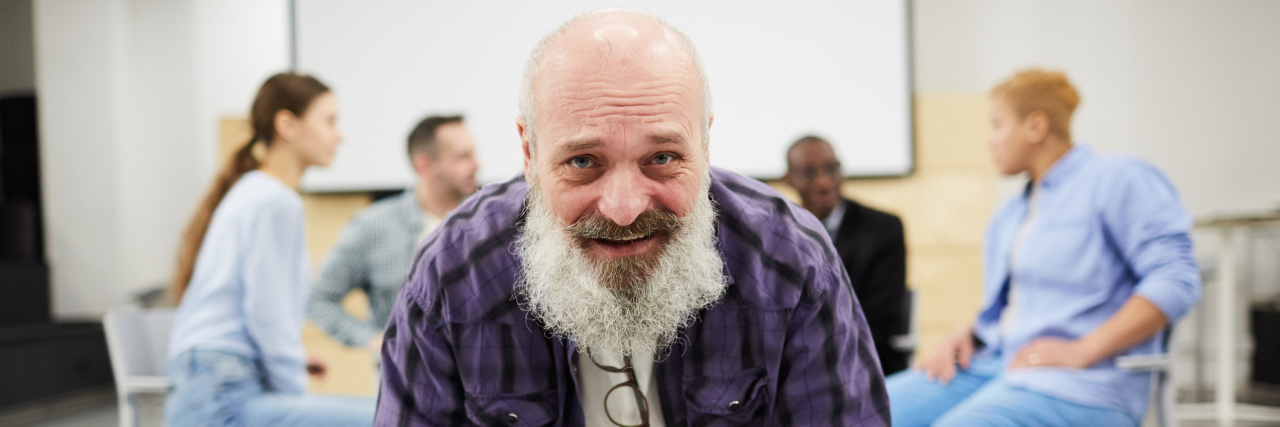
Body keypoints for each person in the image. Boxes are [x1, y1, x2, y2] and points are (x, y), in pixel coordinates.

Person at [374, 9, 889, 426]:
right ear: (529, 153)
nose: (623, 210)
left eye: (661, 158)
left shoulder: (790, 259)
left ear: (704, 147)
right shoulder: (451, 273)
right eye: (582, 162)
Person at [886, 69, 1201, 426]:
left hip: (1081, 384)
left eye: (997, 125)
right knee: (860, 409)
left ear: (1036, 127)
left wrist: (1084, 349)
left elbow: (1176, 279)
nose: (990, 140)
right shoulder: (1010, 213)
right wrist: (972, 332)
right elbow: (1019, 307)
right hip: (998, 366)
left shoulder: (1118, 179)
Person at [164, 73, 375, 427]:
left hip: (209, 389)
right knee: (392, 419)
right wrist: (293, 386)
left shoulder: (255, 191)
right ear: (287, 124)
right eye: (329, 121)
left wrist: (293, 359)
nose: (339, 135)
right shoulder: (274, 200)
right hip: (223, 399)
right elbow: (267, 313)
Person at [307, 115, 478, 354]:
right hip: (404, 384)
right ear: (425, 166)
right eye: (463, 157)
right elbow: (319, 299)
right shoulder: (374, 226)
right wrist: (372, 340)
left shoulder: (486, 224)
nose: (477, 164)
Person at [783, 136, 909, 375]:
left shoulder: (883, 229)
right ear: (789, 180)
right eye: (809, 173)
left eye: (831, 169)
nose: (823, 182)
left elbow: (881, 321)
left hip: (867, 363)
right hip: (797, 365)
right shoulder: (778, 232)